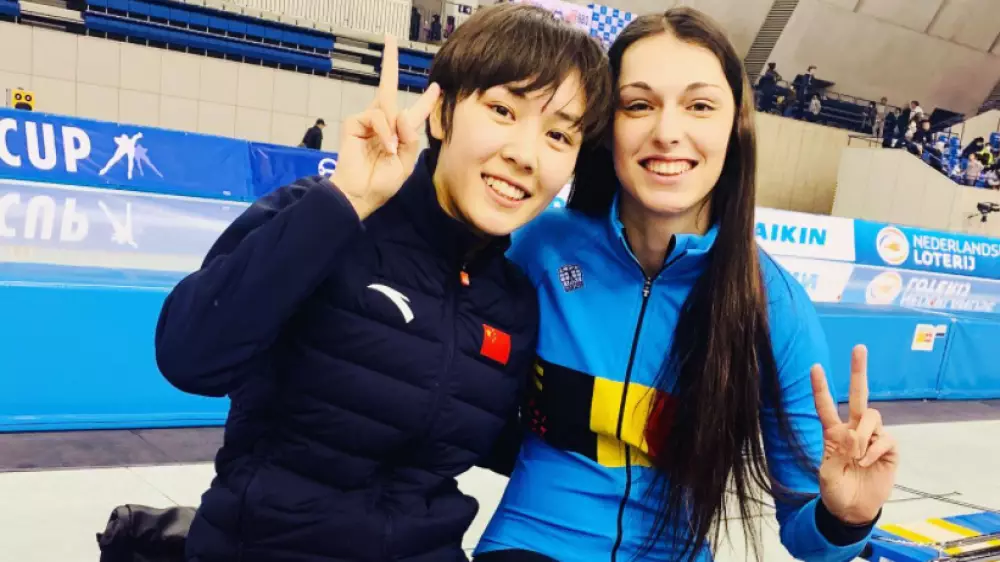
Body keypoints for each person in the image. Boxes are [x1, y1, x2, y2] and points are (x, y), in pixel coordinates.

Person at [154, 5, 612, 561]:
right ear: (441, 113)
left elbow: (502, 439)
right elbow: (188, 356)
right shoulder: (325, 218)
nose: (525, 155)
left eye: (559, 135)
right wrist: (347, 202)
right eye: (502, 110)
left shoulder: (511, 301)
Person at [474, 8, 898, 562]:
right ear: (606, 126)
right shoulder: (538, 249)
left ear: (735, 126)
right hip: (531, 543)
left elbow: (808, 537)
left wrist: (846, 517)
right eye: (638, 105)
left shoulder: (773, 303)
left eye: (699, 106)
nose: (667, 133)